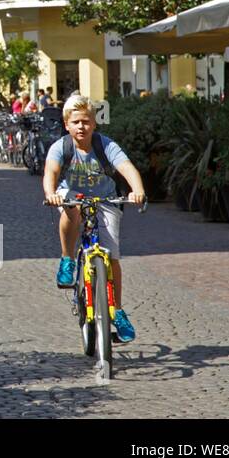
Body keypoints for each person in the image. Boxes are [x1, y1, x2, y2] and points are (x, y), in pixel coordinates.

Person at [43, 93, 146, 343]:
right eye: (76, 122)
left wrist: (138, 190)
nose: (81, 127)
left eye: (86, 121)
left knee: (112, 257)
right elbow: (51, 172)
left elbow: (127, 167)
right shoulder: (61, 147)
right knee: (73, 209)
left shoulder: (105, 145)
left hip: (106, 199)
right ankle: (67, 259)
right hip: (72, 195)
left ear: (94, 123)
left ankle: (117, 311)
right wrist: (50, 193)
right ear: (67, 124)